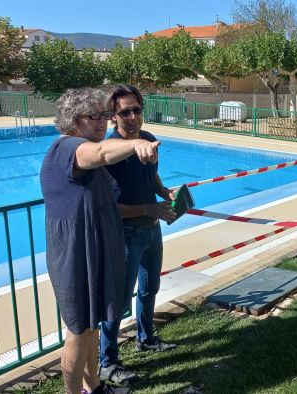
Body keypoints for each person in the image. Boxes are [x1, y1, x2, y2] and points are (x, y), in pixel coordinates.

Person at [40, 87, 160, 394]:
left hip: (98, 250)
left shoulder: (86, 147)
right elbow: (102, 153)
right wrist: (135, 144)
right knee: (79, 331)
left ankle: (93, 387)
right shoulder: (67, 147)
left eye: (104, 115)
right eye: (93, 116)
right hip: (77, 253)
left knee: (92, 327)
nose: (101, 122)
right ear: (72, 119)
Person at [99, 85, 177, 385]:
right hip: (128, 233)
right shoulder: (108, 152)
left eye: (137, 110)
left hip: (151, 230)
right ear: (113, 117)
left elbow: (151, 175)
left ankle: (145, 338)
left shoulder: (147, 141)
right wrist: (149, 208)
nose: (132, 116)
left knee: (149, 288)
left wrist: (163, 191)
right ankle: (108, 362)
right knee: (118, 301)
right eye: (125, 112)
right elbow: (110, 208)